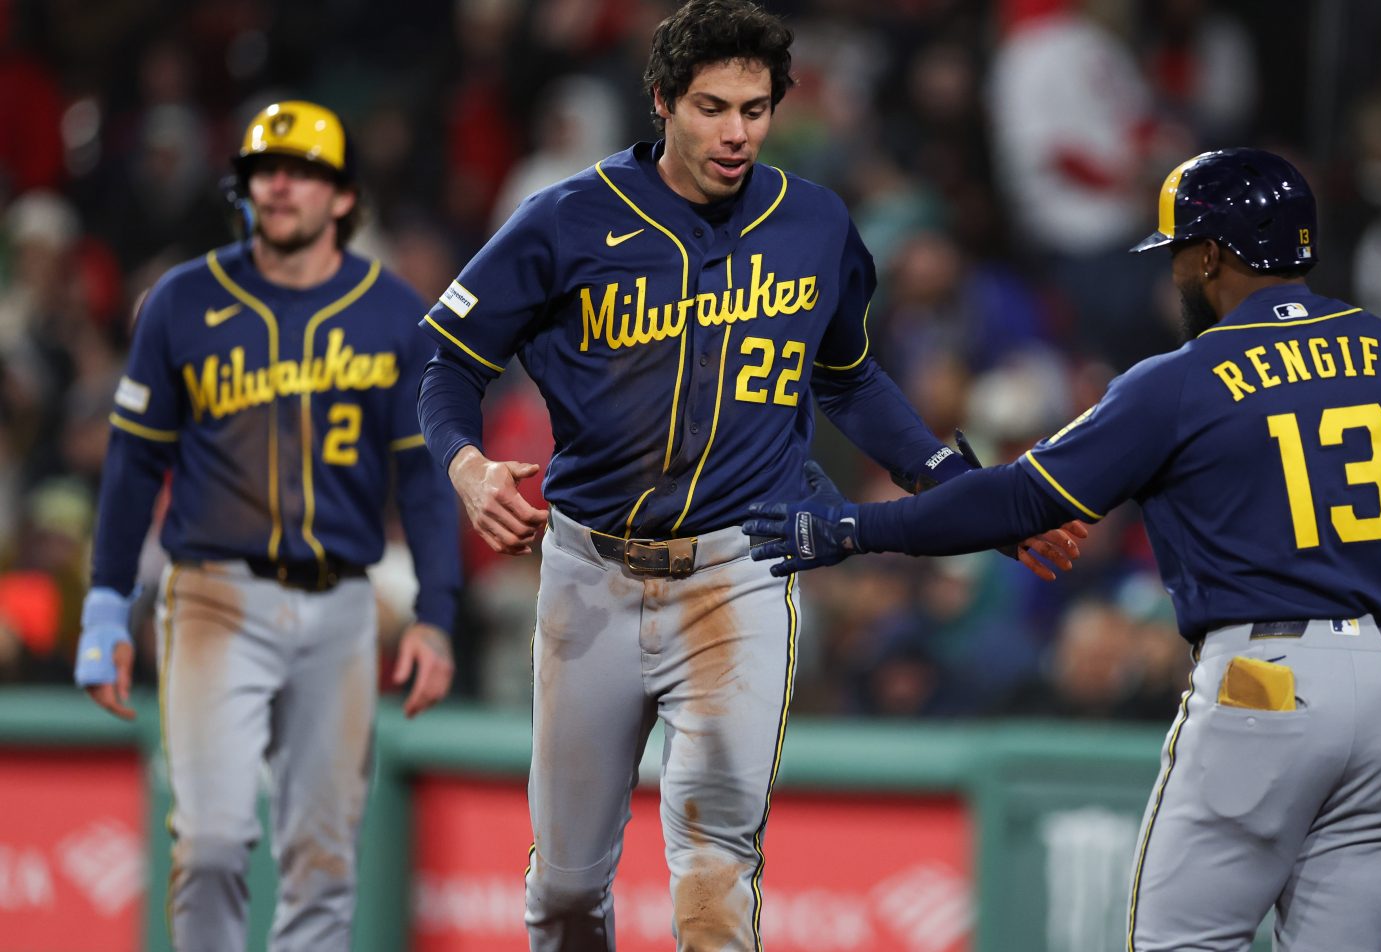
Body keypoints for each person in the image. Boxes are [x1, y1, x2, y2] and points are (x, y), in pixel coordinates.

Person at [744, 148, 1381, 950]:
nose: (1175, 271)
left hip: (1267, 683)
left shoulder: (1186, 378)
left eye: (1180, 252)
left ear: (1213, 255)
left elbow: (1018, 500)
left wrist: (853, 528)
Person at [414, 2, 1082, 947]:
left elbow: (849, 378)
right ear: (662, 102)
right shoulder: (566, 219)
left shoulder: (813, 222)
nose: (737, 132)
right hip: (590, 574)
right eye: (713, 107)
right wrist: (467, 464)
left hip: (740, 570)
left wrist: (963, 494)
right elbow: (447, 363)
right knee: (563, 887)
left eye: (756, 109)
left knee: (716, 864)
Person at [73, 100, 462, 951]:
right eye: (264, 171)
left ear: (344, 196)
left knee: (323, 866)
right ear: (243, 188)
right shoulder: (182, 300)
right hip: (214, 597)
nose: (280, 186)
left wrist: (436, 614)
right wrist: (106, 602)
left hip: (342, 606)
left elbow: (424, 482)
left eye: (302, 172)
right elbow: (133, 462)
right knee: (211, 843)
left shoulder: (392, 312)